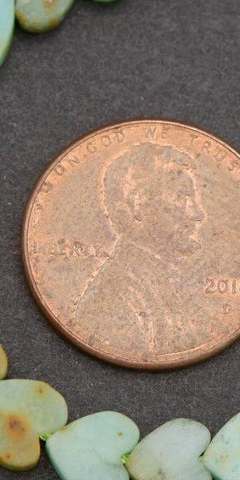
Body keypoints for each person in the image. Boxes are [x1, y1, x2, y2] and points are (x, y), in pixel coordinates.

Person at [74, 142, 206, 354]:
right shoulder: (111, 300)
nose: (197, 214)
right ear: (139, 204)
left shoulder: (163, 280)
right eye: (182, 198)